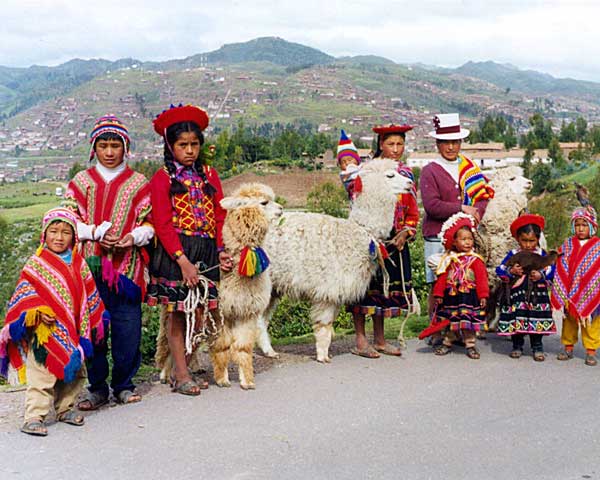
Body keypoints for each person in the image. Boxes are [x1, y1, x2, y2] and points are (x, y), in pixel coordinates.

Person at [63, 115, 153, 409]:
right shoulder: (81, 182)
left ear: (125, 147)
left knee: (128, 330)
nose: (110, 152)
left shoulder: (139, 183)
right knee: (94, 330)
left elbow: (151, 224)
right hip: (90, 270)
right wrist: (92, 234)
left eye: (116, 145)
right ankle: (97, 388)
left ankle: (124, 385)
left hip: (127, 270)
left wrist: (133, 237)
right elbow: (66, 221)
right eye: (104, 145)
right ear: (95, 148)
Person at [147, 104, 232, 395]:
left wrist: (221, 249)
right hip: (177, 253)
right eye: (183, 145)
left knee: (200, 312)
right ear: (170, 146)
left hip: (206, 251)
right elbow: (162, 223)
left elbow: (220, 215)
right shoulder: (162, 178)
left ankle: (183, 369)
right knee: (178, 312)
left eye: (195, 144)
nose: (190, 150)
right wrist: (182, 261)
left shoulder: (209, 174)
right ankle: (181, 374)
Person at [0, 207, 106, 436]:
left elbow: (89, 294)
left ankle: (65, 408)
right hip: (44, 333)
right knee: (42, 375)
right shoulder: (36, 263)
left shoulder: (79, 263)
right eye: (54, 231)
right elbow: (24, 294)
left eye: (66, 232)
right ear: (44, 234)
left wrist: (91, 319)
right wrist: (37, 311)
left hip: (73, 330)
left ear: (74, 236)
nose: (59, 237)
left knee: (74, 372)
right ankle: (33, 416)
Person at [420, 113, 494, 344]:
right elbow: (432, 206)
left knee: (464, 285)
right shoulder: (430, 171)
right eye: (446, 142)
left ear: (461, 143)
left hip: (464, 239)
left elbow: (482, 197)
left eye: (455, 142)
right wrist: (462, 209)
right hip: (436, 236)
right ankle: (437, 329)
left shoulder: (469, 169)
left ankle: (462, 330)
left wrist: (475, 217)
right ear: (438, 144)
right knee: (438, 285)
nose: (451, 147)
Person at [350, 124, 419, 358]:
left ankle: (379, 339)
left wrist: (406, 232)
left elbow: (412, 213)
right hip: (367, 237)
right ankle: (360, 340)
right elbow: (356, 201)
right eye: (391, 144)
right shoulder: (367, 172)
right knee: (362, 289)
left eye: (400, 144)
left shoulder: (406, 176)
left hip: (394, 241)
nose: (396, 149)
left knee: (384, 291)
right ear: (381, 144)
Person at [496, 214, 556, 361]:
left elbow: (551, 270)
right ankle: (517, 346)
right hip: (517, 295)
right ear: (518, 239)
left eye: (532, 241)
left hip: (537, 295)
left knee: (536, 319)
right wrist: (511, 271)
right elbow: (500, 269)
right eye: (524, 240)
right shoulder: (514, 254)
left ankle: (537, 347)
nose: (528, 245)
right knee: (517, 318)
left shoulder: (542, 255)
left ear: (538, 239)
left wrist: (540, 275)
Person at [432, 212, 489, 359]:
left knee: (468, 322)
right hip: (452, 296)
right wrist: (438, 294)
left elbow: (482, 278)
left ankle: (470, 345)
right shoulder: (449, 259)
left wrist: (483, 295)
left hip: (469, 297)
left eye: (470, 239)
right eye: (463, 239)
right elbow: (442, 277)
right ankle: (447, 342)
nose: (467, 242)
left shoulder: (476, 260)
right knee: (452, 321)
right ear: (454, 242)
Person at [552, 206, 600, 366]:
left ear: (592, 226)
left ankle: (591, 351)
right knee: (569, 321)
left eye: (584, 224)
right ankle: (568, 347)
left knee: (591, 323)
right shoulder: (567, 245)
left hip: (591, 291)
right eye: (577, 224)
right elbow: (561, 265)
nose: (580, 228)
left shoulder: (597, 246)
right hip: (569, 292)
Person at [336, 129, 362, 201]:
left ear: (357, 160)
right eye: (343, 162)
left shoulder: (362, 168)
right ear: (340, 166)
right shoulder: (344, 175)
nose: (347, 163)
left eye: (350, 160)